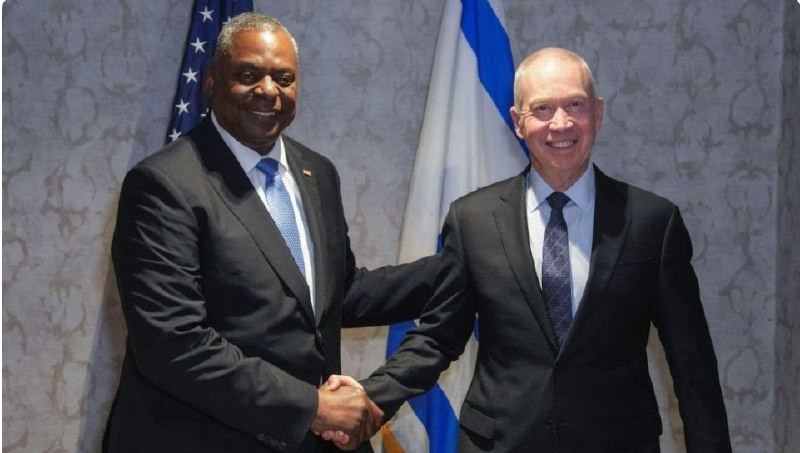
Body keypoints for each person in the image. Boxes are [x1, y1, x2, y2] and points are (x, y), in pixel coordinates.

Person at [350, 48, 732, 452]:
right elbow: (439, 336)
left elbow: (692, 363)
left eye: (575, 105)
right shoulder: (474, 220)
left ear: (598, 112)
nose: (561, 123)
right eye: (543, 108)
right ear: (518, 122)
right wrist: (370, 397)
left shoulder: (652, 222)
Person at [103, 12, 438, 453]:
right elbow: (173, 343)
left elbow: (334, 295)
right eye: (248, 75)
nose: (268, 91)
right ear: (211, 82)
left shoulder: (316, 172)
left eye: (283, 78)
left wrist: (459, 266)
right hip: (203, 439)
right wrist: (312, 407)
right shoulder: (164, 184)